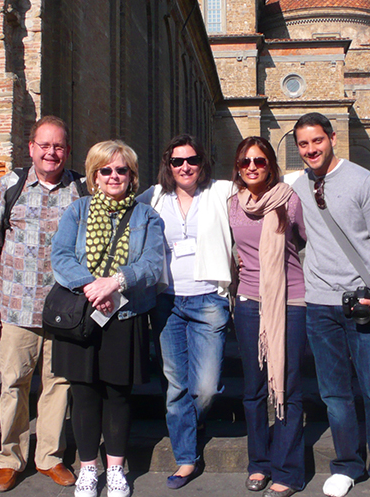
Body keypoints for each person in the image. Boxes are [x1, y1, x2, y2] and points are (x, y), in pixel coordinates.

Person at [289, 113, 370, 497]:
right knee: (334, 393)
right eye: (304, 145)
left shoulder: (362, 180)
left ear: (333, 138)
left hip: (363, 300)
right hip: (320, 303)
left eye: (316, 141)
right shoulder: (297, 187)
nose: (310, 150)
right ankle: (347, 464)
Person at [0, 116, 84, 492]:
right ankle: (10, 459)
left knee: (58, 384)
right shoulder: (10, 186)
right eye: (44, 145)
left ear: (68, 151)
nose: (51, 153)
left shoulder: (79, 190)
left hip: (64, 310)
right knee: (13, 384)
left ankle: (50, 458)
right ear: (31, 148)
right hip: (16, 307)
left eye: (58, 146)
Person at [51, 140, 165, 497]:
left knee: (117, 394)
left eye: (122, 170)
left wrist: (115, 282)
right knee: (84, 394)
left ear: (132, 177)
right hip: (84, 312)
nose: (114, 176)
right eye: (106, 170)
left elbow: (151, 263)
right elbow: (61, 256)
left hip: (125, 313)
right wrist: (92, 287)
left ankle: (115, 469)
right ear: (94, 176)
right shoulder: (78, 211)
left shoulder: (147, 216)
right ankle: (88, 469)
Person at [137, 134, 234, 489]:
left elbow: (261, 185)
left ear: (201, 162)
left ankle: (194, 421)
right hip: (168, 301)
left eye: (191, 160)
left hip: (208, 299)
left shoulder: (220, 192)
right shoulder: (154, 196)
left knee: (206, 387)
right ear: (168, 165)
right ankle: (186, 458)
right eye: (177, 162)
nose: (185, 167)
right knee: (176, 385)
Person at [229, 137, 307, 497]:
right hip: (248, 302)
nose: (252, 167)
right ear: (238, 167)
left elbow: (304, 240)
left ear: (271, 164)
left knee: (287, 386)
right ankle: (258, 463)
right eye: (245, 162)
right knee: (253, 388)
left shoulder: (289, 201)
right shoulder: (232, 204)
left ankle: (288, 469)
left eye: (259, 161)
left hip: (289, 301)